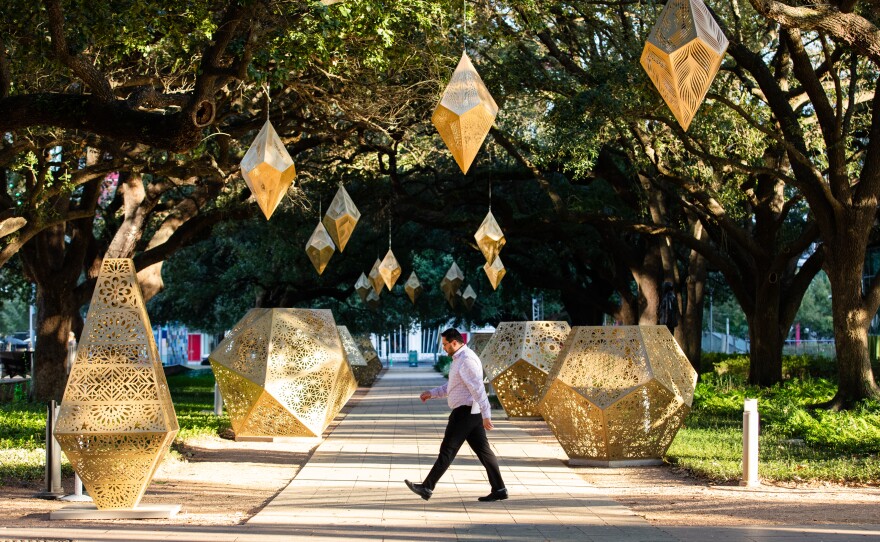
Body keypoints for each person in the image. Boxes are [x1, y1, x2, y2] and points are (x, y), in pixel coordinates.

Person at [405, 328, 507, 502]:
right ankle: (499, 489)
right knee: (484, 451)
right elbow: (453, 386)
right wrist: (432, 393)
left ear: (454, 342)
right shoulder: (459, 359)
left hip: (465, 413)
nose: (443, 347)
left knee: (447, 450)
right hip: (470, 412)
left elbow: (478, 388)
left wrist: (486, 414)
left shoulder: (466, 360)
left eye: (445, 344)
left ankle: (427, 487)